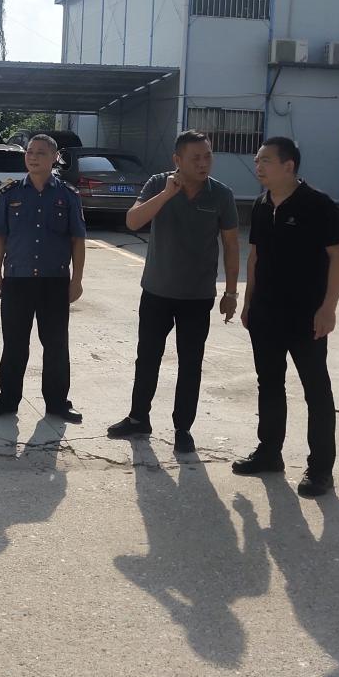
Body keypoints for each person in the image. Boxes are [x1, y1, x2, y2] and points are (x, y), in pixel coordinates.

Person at [107, 130, 240, 452]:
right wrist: (167, 194)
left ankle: (183, 428)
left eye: (207, 156)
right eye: (195, 158)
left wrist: (231, 293)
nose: (203, 163)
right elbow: (133, 221)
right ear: (177, 160)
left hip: (197, 296)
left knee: (190, 364)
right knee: (147, 358)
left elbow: (231, 245)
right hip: (157, 291)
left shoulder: (221, 195)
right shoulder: (157, 184)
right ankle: (138, 418)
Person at [232, 137, 339, 498]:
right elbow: (255, 257)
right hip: (266, 313)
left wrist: (328, 307)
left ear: (289, 166)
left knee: (316, 390)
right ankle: (269, 452)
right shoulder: (262, 204)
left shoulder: (318, 204)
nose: (258, 167)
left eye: (265, 161)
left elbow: (338, 257)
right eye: (257, 161)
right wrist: (248, 302)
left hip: (306, 316)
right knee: (269, 384)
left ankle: (321, 469)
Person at [0, 134, 87, 422]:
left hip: (54, 282)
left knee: (56, 345)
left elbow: (77, 240)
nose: (33, 157)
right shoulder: (10, 194)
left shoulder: (67, 195)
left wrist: (77, 280)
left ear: (54, 157)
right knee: (14, 344)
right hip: (17, 280)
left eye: (41, 152)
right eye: (30, 152)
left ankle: (57, 403)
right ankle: (7, 400)